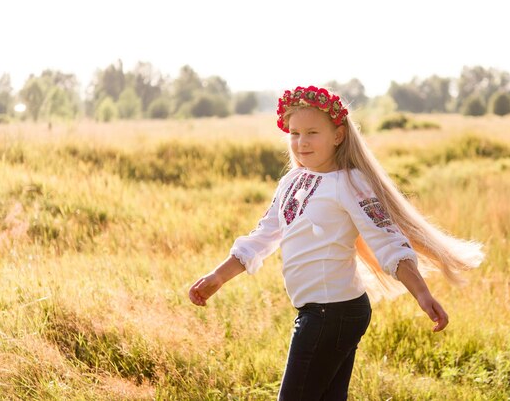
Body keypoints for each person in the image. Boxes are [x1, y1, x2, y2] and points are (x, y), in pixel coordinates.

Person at [189, 85, 484, 400]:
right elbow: (263, 235)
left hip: (333, 312)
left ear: (338, 135)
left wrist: (422, 293)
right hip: (320, 310)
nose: (302, 142)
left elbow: (387, 239)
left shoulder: (350, 183)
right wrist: (217, 277)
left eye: (312, 132)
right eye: (295, 133)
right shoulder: (292, 182)